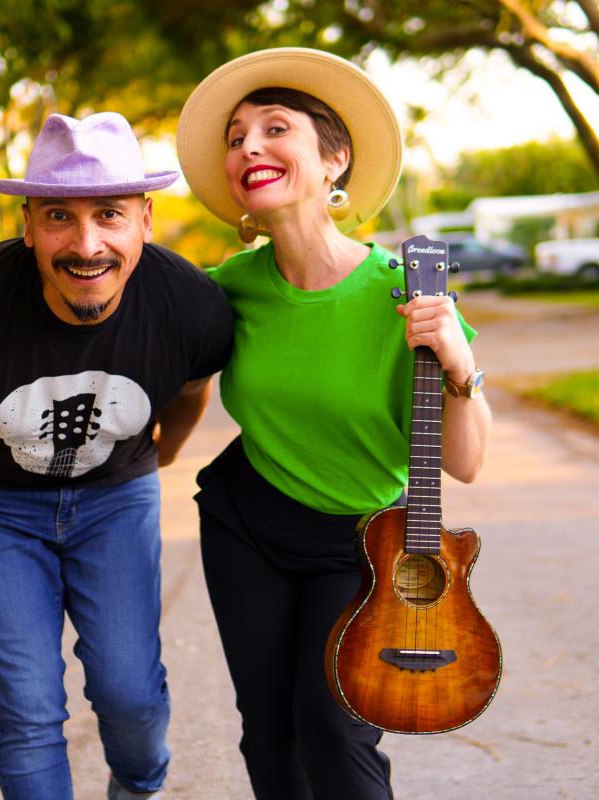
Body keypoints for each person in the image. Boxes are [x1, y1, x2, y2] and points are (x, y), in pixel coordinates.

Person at [0, 111, 234, 800]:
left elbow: (188, 393)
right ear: (26, 224)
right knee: (26, 706)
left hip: (117, 497)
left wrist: (165, 456)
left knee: (131, 696)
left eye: (110, 216)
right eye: (60, 216)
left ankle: (140, 787)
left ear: (145, 220)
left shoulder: (189, 306)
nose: (86, 244)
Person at [175, 48, 492, 799]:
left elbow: (468, 462)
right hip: (247, 523)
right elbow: (159, 354)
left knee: (332, 723)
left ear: (334, 161)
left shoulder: (405, 293)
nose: (247, 146)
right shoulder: (227, 288)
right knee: (269, 730)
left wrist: (456, 361)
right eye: (235, 136)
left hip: (361, 543)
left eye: (274, 128)